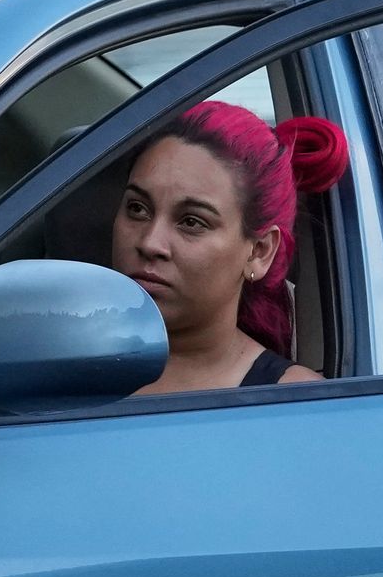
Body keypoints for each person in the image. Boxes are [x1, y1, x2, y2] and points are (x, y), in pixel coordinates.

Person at [114, 101, 347, 394]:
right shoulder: (58, 362)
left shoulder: (295, 402)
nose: (150, 243)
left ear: (259, 252)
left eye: (192, 222)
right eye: (137, 208)